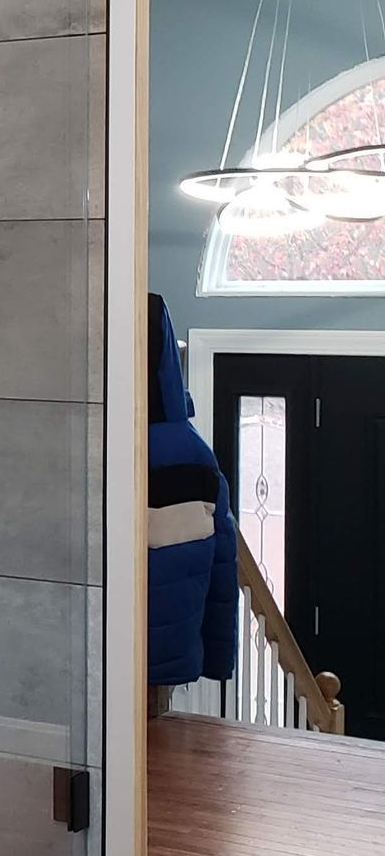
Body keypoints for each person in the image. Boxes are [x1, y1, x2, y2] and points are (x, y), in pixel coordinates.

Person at [146, 291, 237, 688]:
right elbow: (223, 562)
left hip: (96, 647)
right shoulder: (194, 453)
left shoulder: (97, 439)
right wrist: (218, 659)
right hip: (170, 651)